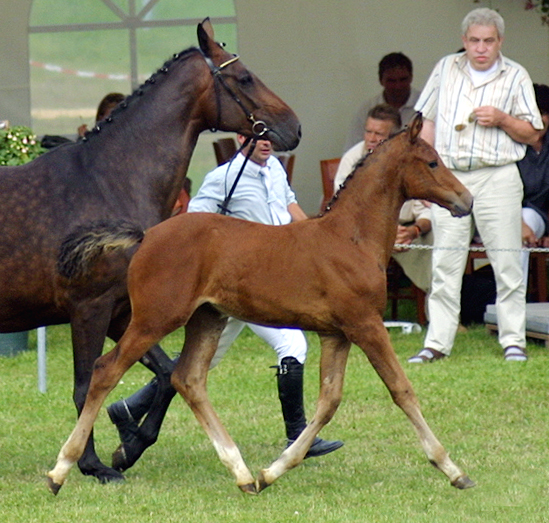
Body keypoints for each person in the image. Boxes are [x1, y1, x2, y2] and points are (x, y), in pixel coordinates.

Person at [107, 133, 343, 458]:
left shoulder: (274, 168)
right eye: (259, 137)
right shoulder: (223, 177)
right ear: (241, 137)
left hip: (276, 278)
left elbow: (291, 209)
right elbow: (198, 224)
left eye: (270, 137)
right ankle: (298, 435)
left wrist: (321, 240)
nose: (266, 143)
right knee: (292, 344)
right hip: (239, 279)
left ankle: (129, 408)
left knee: (205, 362)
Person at [408, 8, 543, 364]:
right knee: (445, 260)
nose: (481, 48)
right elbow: (426, 122)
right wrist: (430, 167)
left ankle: (513, 341)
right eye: (474, 41)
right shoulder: (445, 68)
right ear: (464, 41)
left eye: (488, 41)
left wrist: (501, 119)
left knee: (507, 260)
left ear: (500, 41)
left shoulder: (516, 75)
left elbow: (532, 133)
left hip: (497, 173)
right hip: (451, 174)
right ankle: (437, 342)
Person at [334, 104, 433, 295]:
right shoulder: (352, 158)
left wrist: (414, 230)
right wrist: (383, 231)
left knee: (435, 239)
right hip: (361, 232)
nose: (371, 138)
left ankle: (437, 313)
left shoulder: (408, 161)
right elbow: (342, 209)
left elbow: (427, 210)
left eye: (378, 134)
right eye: (368, 131)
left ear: (393, 137)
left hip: (405, 230)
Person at [344, 52, 420, 152]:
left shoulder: (426, 106)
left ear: (411, 77)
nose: (398, 86)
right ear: (381, 80)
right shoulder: (367, 109)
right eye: (391, 81)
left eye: (403, 79)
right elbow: (352, 150)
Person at [519, 83, 549, 285]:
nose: (537, 120)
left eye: (543, 113)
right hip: (505, 216)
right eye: (530, 113)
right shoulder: (507, 145)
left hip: (541, 219)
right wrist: (519, 224)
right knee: (521, 223)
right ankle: (513, 304)